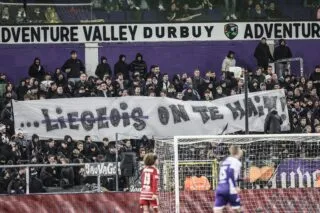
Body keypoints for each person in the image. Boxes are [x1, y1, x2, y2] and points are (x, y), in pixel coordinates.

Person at [214, 145, 243, 213]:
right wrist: (235, 186)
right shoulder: (236, 162)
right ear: (238, 151)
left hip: (220, 187)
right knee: (238, 209)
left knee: (217, 210)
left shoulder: (226, 160)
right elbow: (230, 172)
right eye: (240, 149)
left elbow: (225, 174)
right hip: (229, 188)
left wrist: (240, 179)